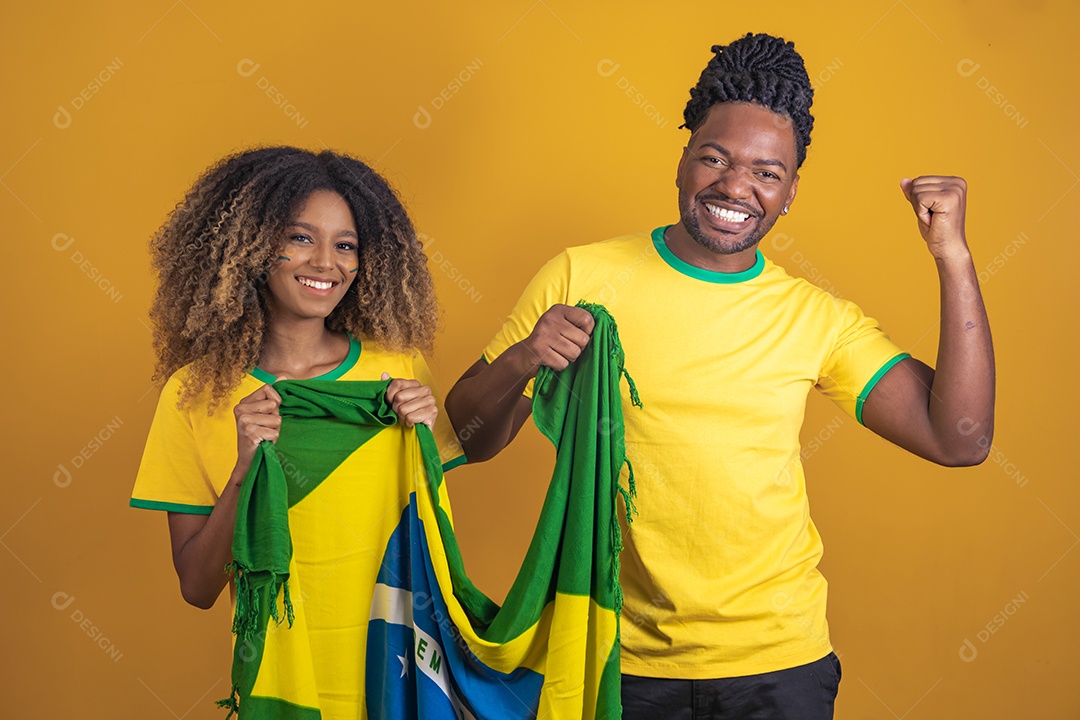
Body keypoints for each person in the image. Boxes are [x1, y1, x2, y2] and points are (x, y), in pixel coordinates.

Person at [444, 32, 994, 720]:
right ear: (682, 163)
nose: (736, 187)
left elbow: (960, 438)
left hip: (778, 665)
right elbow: (470, 434)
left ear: (791, 192)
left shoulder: (814, 316)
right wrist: (526, 356)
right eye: (715, 159)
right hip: (616, 656)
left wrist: (953, 257)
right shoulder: (580, 277)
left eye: (767, 173)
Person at [130, 146, 463, 718]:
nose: (326, 263)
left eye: (346, 244)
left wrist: (425, 440)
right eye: (301, 238)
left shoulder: (398, 372)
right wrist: (244, 470)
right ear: (252, 247)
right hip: (281, 687)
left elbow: (433, 542)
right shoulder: (195, 393)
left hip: (401, 675)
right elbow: (198, 586)